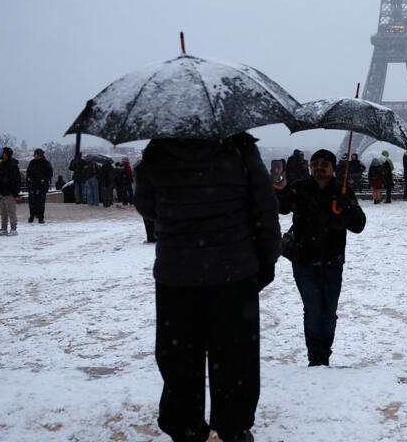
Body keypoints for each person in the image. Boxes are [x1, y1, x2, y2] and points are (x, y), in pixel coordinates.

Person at [135, 131, 280, 442]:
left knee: (179, 359)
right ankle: (234, 426)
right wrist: (267, 260)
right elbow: (265, 207)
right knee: (235, 357)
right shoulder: (240, 148)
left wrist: (181, 222)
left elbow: (146, 206)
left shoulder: (158, 149)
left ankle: (185, 426)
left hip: (177, 272)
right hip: (234, 270)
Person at [274, 149, 365, 367]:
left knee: (329, 313)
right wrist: (280, 189)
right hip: (304, 260)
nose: (319, 167)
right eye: (315, 163)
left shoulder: (343, 191)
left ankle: (324, 353)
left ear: (333, 168)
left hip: (332, 261)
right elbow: (282, 207)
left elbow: (359, 225)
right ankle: (316, 358)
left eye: (324, 163)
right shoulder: (299, 188)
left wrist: (348, 206)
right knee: (313, 311)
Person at [0, 147, 20, 236]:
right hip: (3, 192)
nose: (0, 154)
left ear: (5, 154)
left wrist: (15, 193)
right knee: (3, 212)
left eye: (2, 152)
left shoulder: (12, 165)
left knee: (11, 212)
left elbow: (16, 180)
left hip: (9, 192)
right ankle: (4, 228)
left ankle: (13, 229)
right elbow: (0, 179)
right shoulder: (2, 164)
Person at [26, 148, 53, 224]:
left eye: (35, 154)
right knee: (32, 202)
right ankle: (32, 215)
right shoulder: (32, 162)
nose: (34, 155)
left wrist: (43, 180)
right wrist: (29, 179)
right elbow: (28, 172)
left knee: (41, 202)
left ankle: (40, 217)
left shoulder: (46, 163)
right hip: (32, 185)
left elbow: (49, 174)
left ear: (39, 155)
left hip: (42, 186)